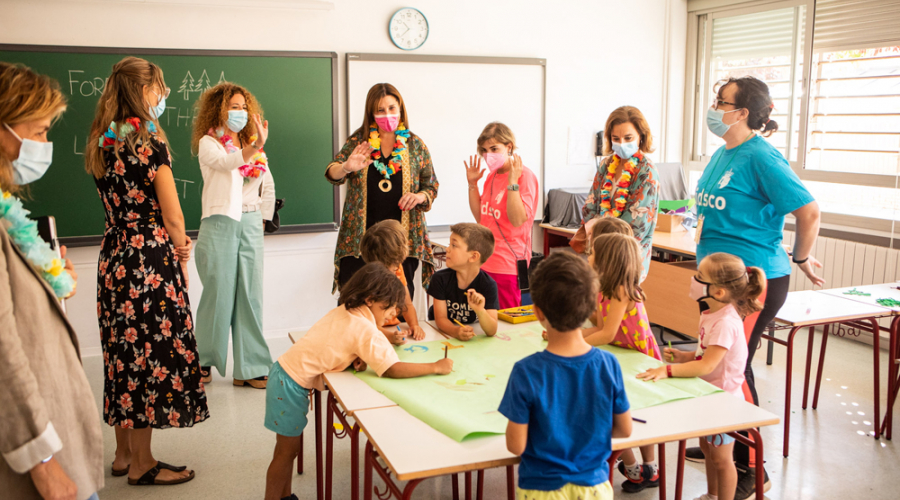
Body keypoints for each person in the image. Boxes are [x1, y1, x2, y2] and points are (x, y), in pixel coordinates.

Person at [690, 76, 823, 498]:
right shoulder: (723, 152)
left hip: (752, 281)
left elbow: (809, 211)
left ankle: (751, 466)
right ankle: (720, 437)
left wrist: (800, 257)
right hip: (716, 280)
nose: (714, 107)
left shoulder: (762, 157)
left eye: (721, 101)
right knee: (715, 362)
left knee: (734, 367)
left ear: (743, 112)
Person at [85, 56, 208, 486]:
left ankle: (123, 455)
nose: (163, 95)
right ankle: (142, 463)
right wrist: (183, 253)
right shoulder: (149, 143)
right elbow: (173, 217)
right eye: (159, 88)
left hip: (114, 257)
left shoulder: (103, 141)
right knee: (148, 356)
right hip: (150, 260)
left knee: (121, 354)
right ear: (143, 91)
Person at [0, 62, 103, 500]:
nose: (45, 145)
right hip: (33, 448)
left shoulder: (6, 213)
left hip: (49, 424)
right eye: (39, 132)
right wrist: (42, 463)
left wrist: (51, 281)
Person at [263, 263, 453, 500]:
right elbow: (392, 369)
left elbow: (338, 343)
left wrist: (353, 360)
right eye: (388, 307)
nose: (392, 314)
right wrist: (435, 366)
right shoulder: (364, 328)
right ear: (371, 299)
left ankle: (285, 496)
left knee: (288, 451)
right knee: (286, 453)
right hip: (289, 385)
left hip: (284, 376)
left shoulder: (348, 310)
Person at [500, 252, 632, 500]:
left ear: (538, 312)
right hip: (594, 488)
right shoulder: (608, 364)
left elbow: (516, 445)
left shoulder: (526, 371)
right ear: (592, 307)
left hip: (541, 489)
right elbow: (625, 429)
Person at [638, 253, 765, 500]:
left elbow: (707, 366)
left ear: (718, 292)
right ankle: (712, 495)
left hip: (723, 401)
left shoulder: (726, 322)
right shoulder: (710, 314)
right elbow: (706, 355)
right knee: (708, 451)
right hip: (708, 395)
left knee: (722, 460)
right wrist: (685, 357)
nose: (693, 279)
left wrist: (667, 370)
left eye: (699, 276)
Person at [191, 82, 275, 389]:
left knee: (251, 295)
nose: (239, 112)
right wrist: (255, 147)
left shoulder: (253, 143)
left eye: (243, 107)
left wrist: (263, 219)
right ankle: (203, 360)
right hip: (220, 221)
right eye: (233, 107)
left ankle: (250, 367)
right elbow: (227, 163)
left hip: (251, 221)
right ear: (219, 110)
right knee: (219, 293)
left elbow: (267, 183)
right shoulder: (209, 143)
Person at [325, 83, 438, 297]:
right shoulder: (359, 141)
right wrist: (346, 167)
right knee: (355, 301)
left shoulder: (415, 145)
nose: (387, 115)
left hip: (401, 242)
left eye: (392, 108)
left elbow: (431, 185)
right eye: (380, 110)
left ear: (400, 109)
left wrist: (419, 196)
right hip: (360, 241)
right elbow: (332, 172)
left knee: (397, 302)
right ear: (371, 113)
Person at [585, 232, 662, 493]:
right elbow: (600, 328)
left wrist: (576, 345)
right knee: (619, 410)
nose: (588, 257)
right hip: (621, 355)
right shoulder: (602, 287)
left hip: (639, 357)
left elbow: (606, 334)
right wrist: (568, 334)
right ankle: (635, 468)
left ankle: (648, 467)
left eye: (592, 253)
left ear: (606, 260)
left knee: (632, 411)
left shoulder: (620, 290)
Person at [465, 122, 539, 309]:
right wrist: (472, 185)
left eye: (494, 149)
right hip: (485, 260)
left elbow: (517, 220)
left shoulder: (524, 176)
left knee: (505, 320)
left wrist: (512, 182)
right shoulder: (492, 176)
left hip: (508, 265)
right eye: (484, 150)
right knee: (486, 318)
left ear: (509, 147)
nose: (488, 155)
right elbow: (482, 218)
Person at [581, 106, 659, 281]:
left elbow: (637, 224)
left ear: (641, 136)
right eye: (616, 138)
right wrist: (596, 235)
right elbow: (591, 204)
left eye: (628, 138)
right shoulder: (606, 164)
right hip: (598, 251)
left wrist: (601, 229)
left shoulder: (647, 171)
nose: (622, 143)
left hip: (626, 257)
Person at [427, 222, 499, 340]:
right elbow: (440, 319)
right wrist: (456, 332)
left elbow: (491, 330)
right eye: (449, 244)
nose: (447, 249)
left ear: (473, 257)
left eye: (454, 245)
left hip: (471, 336)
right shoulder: (440, 279)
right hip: (440, 335)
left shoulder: (488, 285)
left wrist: (480, 310)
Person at [360, 219, 426, 343]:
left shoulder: (398, 269)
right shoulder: (370, 279)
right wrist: (390, 337)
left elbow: (407, 304)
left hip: (393, 328)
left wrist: (414, 325)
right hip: (373, 335)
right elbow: (367, 325)